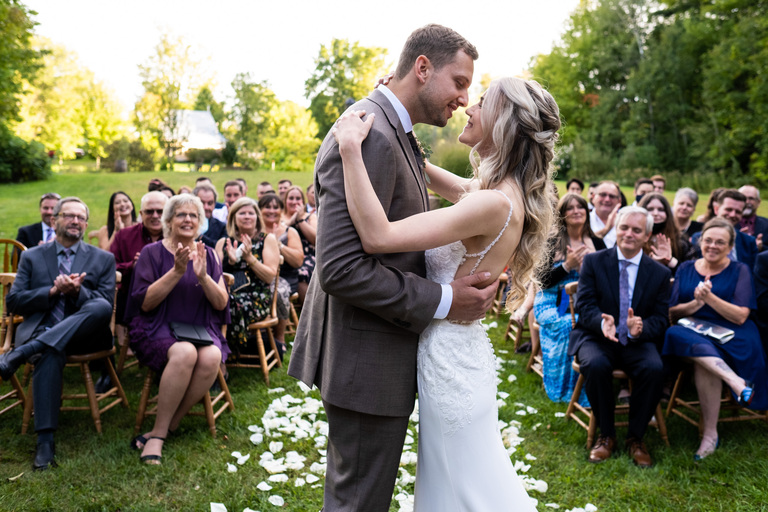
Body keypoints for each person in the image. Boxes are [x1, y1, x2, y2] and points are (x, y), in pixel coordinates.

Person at [289, 25, 516, 512]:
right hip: (365, 362)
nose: (463, 98)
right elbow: (343, 269)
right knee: (358, 503)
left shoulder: (396, 132)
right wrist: (448, 300)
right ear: (422, 68)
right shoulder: (370, 134)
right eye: (459, 82)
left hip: (384, 355)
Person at [325, 67, 558, 511]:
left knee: (464, 485)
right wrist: (390, 97)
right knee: (455, 481)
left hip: (450, 360)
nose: (469, 106)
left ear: (505, 122)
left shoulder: (490, 203)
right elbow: (423, 169)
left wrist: (351, 151)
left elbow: (378, 237)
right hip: (454, 354)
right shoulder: (491, 192)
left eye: (483, 101)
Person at [1, 197, 115, 470]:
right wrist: (51, 292)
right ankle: (45, 442)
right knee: (50, 350)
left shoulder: (103, 258)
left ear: (86, 224)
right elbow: (13, 302)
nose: (76, 221)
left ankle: (22, 353)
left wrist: (78, 291)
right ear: (54, 221)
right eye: (69, 215)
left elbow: (106, 305)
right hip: (42, 328)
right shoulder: (31, 256)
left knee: (99, 304)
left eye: (81, 218)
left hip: (86, 335)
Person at [125, 194, 230, 465]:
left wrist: (203, 276)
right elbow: (146, 304)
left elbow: (220, 303)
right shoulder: (152, 253)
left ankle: (171, 423)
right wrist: (176, 271)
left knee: (211, 356)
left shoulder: (207, 253)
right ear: (168, 221)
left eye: (194, 215)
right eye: (181, 215)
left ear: (200, 223)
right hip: (157, 325)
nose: (188, 220)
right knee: (185, 353)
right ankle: (158, 434)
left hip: (199, 325)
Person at [568, 206, 671, 468]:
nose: (628, 234)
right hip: (597, 336)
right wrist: (602, 322)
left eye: (637, 230)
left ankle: (635, 437)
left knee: (654, 368)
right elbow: (585, 305)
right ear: (617, 229)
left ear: (647, 235)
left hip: (636, 341)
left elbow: (661, 319)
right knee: (596, 364)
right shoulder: (594, 261)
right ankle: (606, 434)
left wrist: (642, 327)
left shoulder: (659, 273)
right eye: (624, 228)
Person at [663, 218, 768, 460]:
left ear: (730, 245)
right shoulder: (686, 268)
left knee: (705, 360)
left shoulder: (739, 270)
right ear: (700, 242)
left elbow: (741, 316)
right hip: (692, 330)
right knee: (674, 332)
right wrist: (696, 303)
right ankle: (736, 382)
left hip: (733, 333)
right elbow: (673, 312)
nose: (712, 246)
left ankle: (710, 434)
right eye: (708, 240)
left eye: (720, 242)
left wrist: (710, 300)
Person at [535, 193, 605, 404]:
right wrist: (567, 266)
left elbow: (607, 281)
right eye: (570, 208)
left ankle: (587, 385)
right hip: (551, 302)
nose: (576, 211)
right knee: (569, 326)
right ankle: (561, 387)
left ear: (587, 211)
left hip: (584, 304)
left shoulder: (597, 243)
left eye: (580, 207)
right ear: (562, 215)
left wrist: (588, 271)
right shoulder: (551, 242)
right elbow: (540, 281)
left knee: (588, 324)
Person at [215, 197, 279, 355]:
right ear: (233, 218)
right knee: (215, 302)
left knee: (230, 305)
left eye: (251, 213)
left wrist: (250, 258)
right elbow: (215, 275)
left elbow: (269, 276)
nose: (247, 216)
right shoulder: (223, 242)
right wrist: (230, 262)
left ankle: (225, 353)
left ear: (257, 217)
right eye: (242, 213)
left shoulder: (267, 240)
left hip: (256, 298)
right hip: (228, 294)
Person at [259, 193, 302, 355]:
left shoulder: (289, 232)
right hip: (260, 276)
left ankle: (279, 337)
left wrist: (279, 246)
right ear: (260, 210)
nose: (271, 210)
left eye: (275, 207)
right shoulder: (256, 231)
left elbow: (298, 261)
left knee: (279, 292)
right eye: (267, 207)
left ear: (281, 210)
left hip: (285, 277)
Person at [691, 189, 759, 270]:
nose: (733, 214)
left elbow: (753, 274)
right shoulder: (699, 238)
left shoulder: (748, 242)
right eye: (728, 209)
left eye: (738, 212)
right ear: (716, 209)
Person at [639, 192, 691, 273]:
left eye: (660, 210)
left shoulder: (680, 241)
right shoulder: (633, 237)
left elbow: (688, 273)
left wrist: (669, 260)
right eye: (650, 209)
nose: (655, 213)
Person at [282, 185, 317, 303]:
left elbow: (316, 239)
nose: (294, 202)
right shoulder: (280, 218)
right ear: (285, 200)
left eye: (298, 199)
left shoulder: (310, 217)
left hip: (308, 257)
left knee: (302, 272)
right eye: (291, 198)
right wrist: (291, 221)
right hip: (285, 257)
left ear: (303, 201)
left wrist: (300, 219)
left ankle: (307, 309)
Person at [193, 182, 227, 248]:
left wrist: (200, 236)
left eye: (210, 203)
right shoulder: (185, 224)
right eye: (202, 203)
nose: (206, 207)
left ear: (215, 204)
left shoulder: (222, 227)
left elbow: (220, 247)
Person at [590, 181, 622, 248]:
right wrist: (607, 229)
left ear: (619, 201)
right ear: (593, 197)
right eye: (603, 195)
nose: (607, 199)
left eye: (612, 196)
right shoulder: (584, 220)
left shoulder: (625, 222)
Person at [737, 185, 768, 251]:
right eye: (743, 198)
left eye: (751, 198)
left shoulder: (766, 224)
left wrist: (761, 247)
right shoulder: (728, 223)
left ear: (758, 202)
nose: (747, 202)